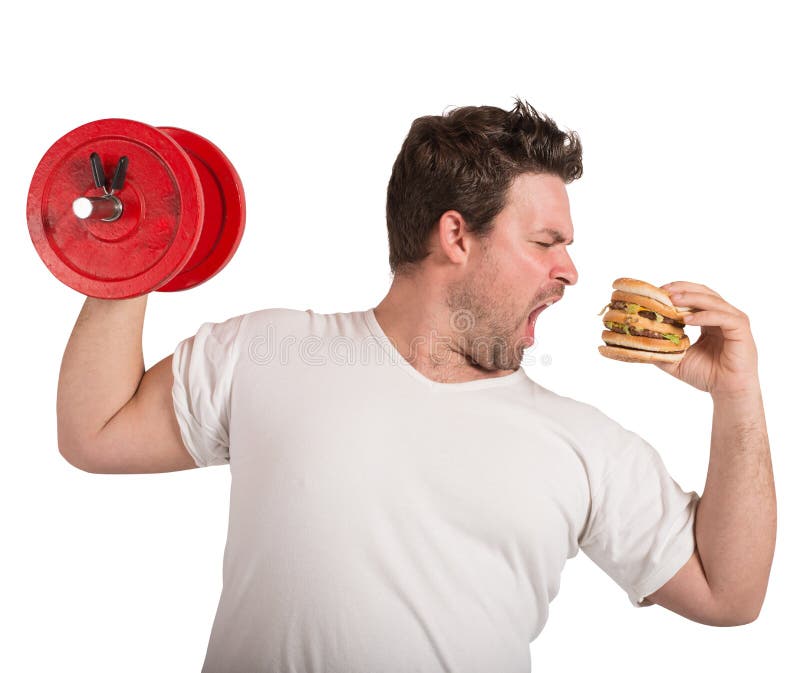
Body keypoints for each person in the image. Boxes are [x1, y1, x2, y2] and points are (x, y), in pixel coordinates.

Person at [56, 98, 776, 673]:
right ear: (456, 236)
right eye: (546, 241)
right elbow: (97, 431)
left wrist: (737, 392)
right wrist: (133, 243)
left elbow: (729, 592)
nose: (569, 271)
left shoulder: (586, 445)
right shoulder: (266, 351)